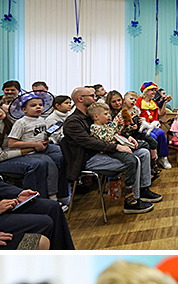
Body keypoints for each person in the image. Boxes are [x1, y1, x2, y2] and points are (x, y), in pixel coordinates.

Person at [62, 85, 152, 215]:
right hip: (89, 158)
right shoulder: (73, 122)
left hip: (105, 151)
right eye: (92, 96)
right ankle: (131, 201)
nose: (96, 98)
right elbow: (90, 143)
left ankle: (143, 189)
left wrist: (127, 137)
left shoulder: (92, 115)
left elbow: (110, 131)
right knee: (134, 160)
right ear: (80, 99)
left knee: (143, 153)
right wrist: (117, 147)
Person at [87, 99, 159, 210]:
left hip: (120, 144)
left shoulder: (105, 125)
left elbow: (116, 133)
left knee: (145, 146)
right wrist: (116, 123)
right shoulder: (94, 127)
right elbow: (108, 138)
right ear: (96, 117)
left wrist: (122, 129)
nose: (108, 116)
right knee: (132, 160)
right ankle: (129, 190)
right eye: (105, 114)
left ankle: (144, 186)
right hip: (113, 150)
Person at [7, 90, 67, 199]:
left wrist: (48, 135)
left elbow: (40, 136)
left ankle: (63, 193)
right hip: (29, 151)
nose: (38, 107)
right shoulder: (21, 122)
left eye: (40, 105)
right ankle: (52, 196)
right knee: (49, 164)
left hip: (43, 147)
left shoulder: (41, 119)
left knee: (61, 155)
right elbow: (12, 143)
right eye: (33, 105)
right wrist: (34, 144)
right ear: (24, 109)